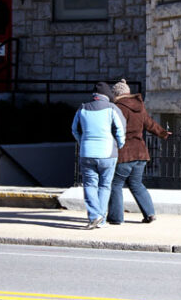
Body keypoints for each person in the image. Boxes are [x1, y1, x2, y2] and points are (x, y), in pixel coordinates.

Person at [107, 79, 171, 225]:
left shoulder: (118, 108)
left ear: (116, 94)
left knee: (115, 184)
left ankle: (116, 218)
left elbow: (114, 129)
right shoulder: (139, 106)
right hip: (141, 153)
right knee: (136, 183)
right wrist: (163, 133)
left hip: (125, 154)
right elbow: (149, 123)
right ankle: (150, 213)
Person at [71, 82, 126, 229]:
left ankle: (94, 216)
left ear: (94, 95)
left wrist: (83, 141)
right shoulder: (112, 109)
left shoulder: (82, 108)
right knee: (105, 186)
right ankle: (100, 219)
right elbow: (120, 129)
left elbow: (74, 130)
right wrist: (120, 144)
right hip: (108, 153)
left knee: (89, 184)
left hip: (87, 152)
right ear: (107, 95)